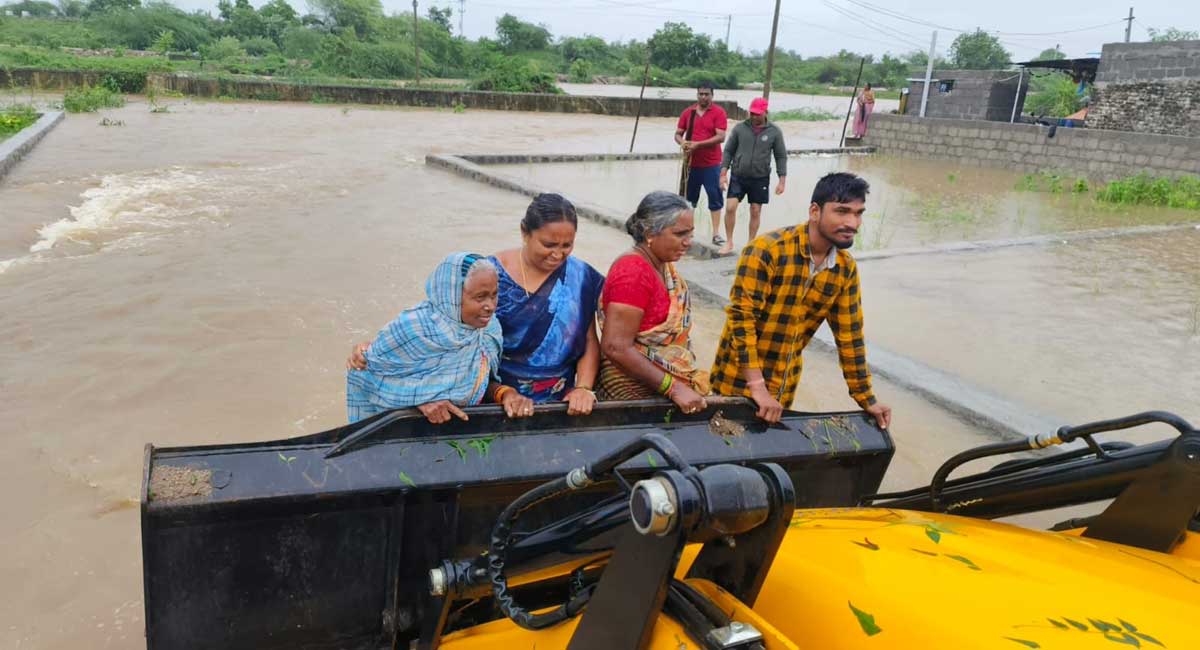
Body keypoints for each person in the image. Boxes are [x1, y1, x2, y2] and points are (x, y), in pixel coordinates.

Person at [709, 172, 892, 429]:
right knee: (723, 449)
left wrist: (866, 398)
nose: (852, 222)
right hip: (735, 380)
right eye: (842, 211)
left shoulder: (844, 268)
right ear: (815, 211)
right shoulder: (767, 251)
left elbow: (850, 337)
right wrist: (757, 387)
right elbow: (742, 319)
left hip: (784, 385)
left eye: (858, 213)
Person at [345, 252, 534, 424]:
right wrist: (420, 401)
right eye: (480, 297)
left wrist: (506, 393)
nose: (490, 306)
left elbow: (479, 383)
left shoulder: (489, 329)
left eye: (494, 295)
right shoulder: (414, 327)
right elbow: (364, 378)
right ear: (451, 295)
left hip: (459, 427)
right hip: (405, 431)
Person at [488, 194, 605, 414]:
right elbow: (470, 346)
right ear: (525, 232)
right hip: (499, 399)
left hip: (563, 402)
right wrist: (501, 392)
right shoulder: (490, 275)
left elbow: (589, 339)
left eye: (567, 245)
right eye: (548, 244)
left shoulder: (581, 277)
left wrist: (583, 389)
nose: (558, 254)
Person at [597, 191, 709, 415]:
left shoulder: (662, 265)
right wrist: (673, 388)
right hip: (631, 389)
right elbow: (615, 347)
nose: (688, 242)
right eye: (680, 234)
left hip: (657, 381)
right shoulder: (633, 273)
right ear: (650, 233)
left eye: (690, 233)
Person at [717, 96, 787, 256]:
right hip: (738, 175)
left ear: (765, 113)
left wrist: (782, 180)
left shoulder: (774, 132)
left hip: (760, 177)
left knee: (755, 210)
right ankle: (729, 242)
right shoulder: (740, 128)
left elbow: (781, 156)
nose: (754, 117)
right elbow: (728, 151)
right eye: (752, 113)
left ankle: (750, 244)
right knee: (730, 207)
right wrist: (723, 173)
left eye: (757, 114)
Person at [674, 84, 728, 248]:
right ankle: (688, 231)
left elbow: (721, 137)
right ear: (697, 95)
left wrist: (698, 144)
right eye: (700, 94)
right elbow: (677, 134)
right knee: (688, 200)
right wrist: (683, 143)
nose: (703, 97)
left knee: (715, 197)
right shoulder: (688, 112)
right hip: (691, 163)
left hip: (712, 164)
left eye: (706, 94)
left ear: (712, 96)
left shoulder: (719, 113)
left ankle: (716, 233)